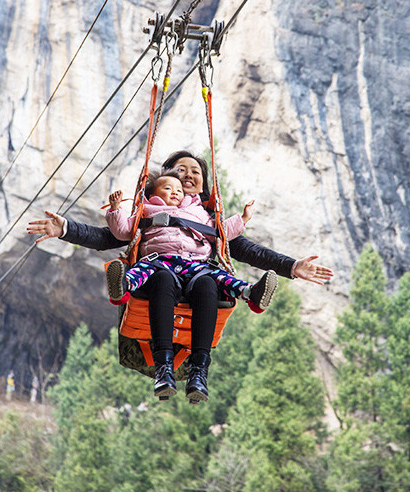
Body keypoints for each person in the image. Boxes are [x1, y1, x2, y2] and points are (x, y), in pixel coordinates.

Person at [27, 150, 334, 403]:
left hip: (196, 273)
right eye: (179, 170)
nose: (187, 175)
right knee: (160, 277)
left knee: (208, 283)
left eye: (195, 171)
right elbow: (110, 236)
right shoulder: (148, 211)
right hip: (160, 272)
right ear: (165, 179)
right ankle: (162, 366)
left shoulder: (209, 219)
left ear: (202, 185)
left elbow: (247, 249)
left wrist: (292, 266)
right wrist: (65, 229)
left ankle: (201, 370)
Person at [104, 170, 278, 317]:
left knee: (219, 276)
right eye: (168, 188)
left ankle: (251, 293)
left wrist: (243, 218)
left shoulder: (196, 212)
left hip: (194, 261)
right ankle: (123, 286)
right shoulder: (146, 211)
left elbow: (219, 233)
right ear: (153, 195)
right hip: (159, 260)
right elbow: (123, 231)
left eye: (179, 190)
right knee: (142, 270)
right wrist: (115, 210)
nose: (175, 192)